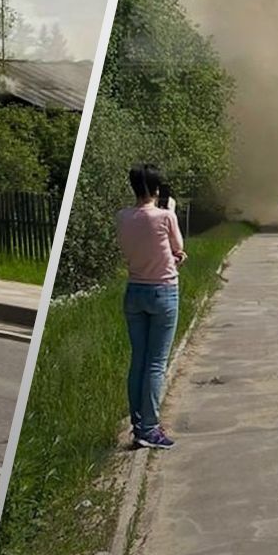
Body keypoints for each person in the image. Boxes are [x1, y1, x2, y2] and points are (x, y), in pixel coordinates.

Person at [117, 163, 184, 450]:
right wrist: (170, 212)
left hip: (134, 292)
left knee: (139, 360)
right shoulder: (166, 216)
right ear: (157, 189)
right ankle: (150, 428)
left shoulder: (121, 217)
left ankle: (137, 423)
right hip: (163, 292)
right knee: (157, 363)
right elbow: (178, 250)